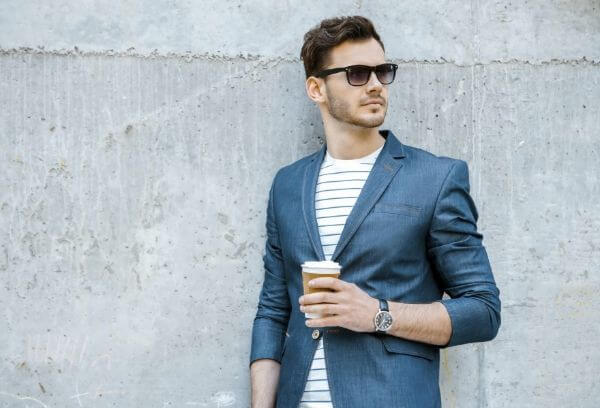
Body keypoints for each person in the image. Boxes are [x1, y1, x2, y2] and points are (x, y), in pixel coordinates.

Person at [249, 15, 501, 408]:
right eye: (356, 74)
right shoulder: (288, 184)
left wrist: (376, 314)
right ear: (316, 88)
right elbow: (272, 312)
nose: (375, 85)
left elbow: (483, 311)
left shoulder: (435, 178)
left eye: (382, 72)